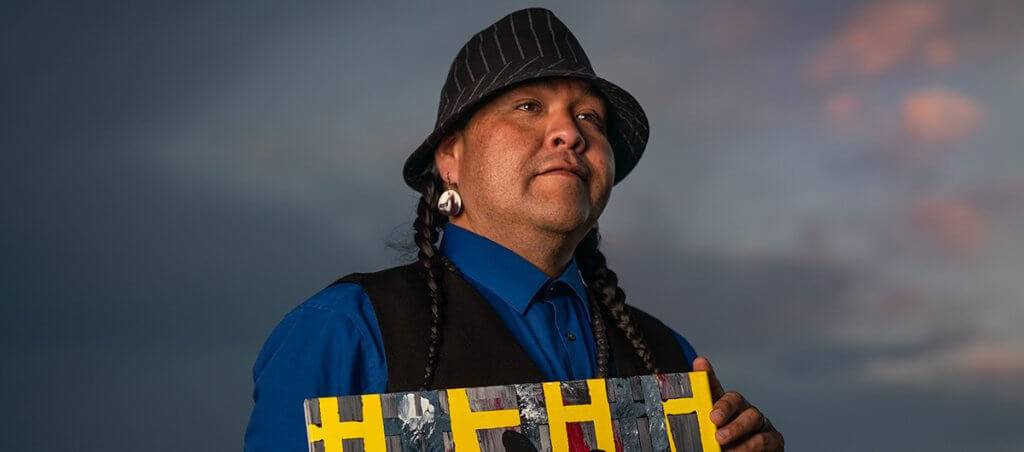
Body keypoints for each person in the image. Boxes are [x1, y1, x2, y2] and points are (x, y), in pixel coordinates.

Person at [244, 7, 784, 451]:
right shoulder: (348, 332)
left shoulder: (668, 357)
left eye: (590, 118)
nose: (569, 134)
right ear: (450, 158)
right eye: (529, 106)